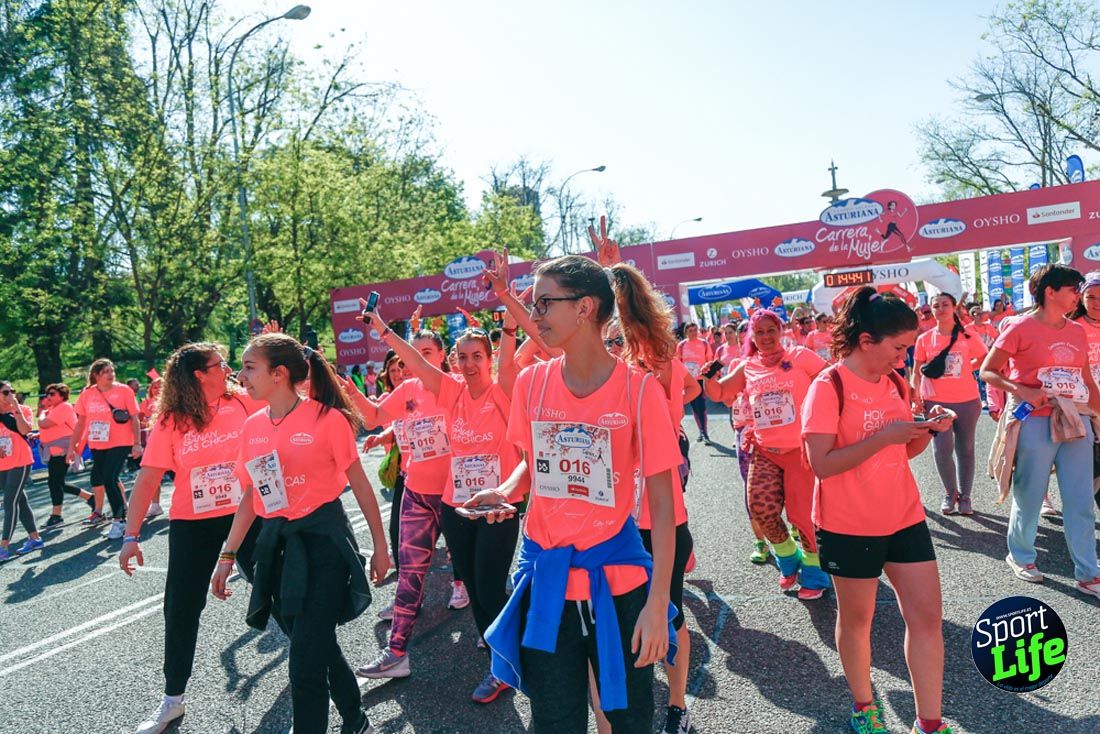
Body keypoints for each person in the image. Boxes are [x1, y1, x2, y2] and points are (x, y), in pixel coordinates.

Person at [472, 255, 680, 733]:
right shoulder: (531, 383)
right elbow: (533, 464)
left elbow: (662, 505)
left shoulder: (638, 390)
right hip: (548, 584)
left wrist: (656, 603)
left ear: (585, 307)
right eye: (533, 303)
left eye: (545, 302)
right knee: (554, 722)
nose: (535, 315)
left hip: (621, 584)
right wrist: (504, 490)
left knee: (629, 720)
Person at [211, 334, 389, 734]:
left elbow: (360, 484)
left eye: (249, 367)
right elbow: (251, 495)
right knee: (316, 644)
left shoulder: (328, 420)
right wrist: (227, 556)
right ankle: (355, 717)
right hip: (275, 549)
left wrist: (381, 547)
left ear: (279, 374)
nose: (240, 376)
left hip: (325, 544)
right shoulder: (253, 426)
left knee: (304, 664)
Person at [802, 287, 956, 734]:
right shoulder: (827, 387)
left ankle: (930, 722)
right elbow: (822, 465)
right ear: (866, 340)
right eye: (900, 347)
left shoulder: (894, 382)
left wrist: (927, 429)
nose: (906, 356)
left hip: (904, 515)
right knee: (857, 621)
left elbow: (901, 451)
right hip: (848, 523)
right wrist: (886, 436)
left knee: (927, 618)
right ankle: (865, 706)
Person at [359, 302, 521, 704]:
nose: (469, 365)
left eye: (477, 357)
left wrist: (511, 324)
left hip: (497, 506)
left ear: (488, 359)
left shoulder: (503, 392)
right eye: (462, 357)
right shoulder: (450, 393)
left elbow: (511, 354)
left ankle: (510, 656)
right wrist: (382, 329)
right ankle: (499, 665)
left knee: (488, 587)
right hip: (456, 508)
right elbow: (413, 359)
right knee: (477, 592)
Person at [119, 344, 265, 734]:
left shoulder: (244, 403)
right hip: (192, 521)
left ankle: (314, 675)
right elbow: (147, 477)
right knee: (180, 609)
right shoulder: (171, 420)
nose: (229, 368)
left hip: (247, 513)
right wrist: (131, 535)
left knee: (279, 592)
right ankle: (172, 700)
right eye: (221, 364)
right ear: (200, 375)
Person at [350, 328, 469, 681]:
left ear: (442, 353)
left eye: (427, 352)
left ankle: (494, 645)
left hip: (457, 495)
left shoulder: (454, 385)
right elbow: (373, 417)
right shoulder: (406, 389)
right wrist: (351, 391)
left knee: (473, 574)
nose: (417, 360)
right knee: (409, 574)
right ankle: (396, 651)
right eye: (412, 353)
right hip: (417, 493)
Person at [980, 264, 1100, 595]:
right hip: (1033, 418)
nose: (1078, 296)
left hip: (1075, 419)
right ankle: (1021, 556)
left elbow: (1087, 381)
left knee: (1080, 500)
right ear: (1050, 292)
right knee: (1029, 494)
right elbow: (987, 371)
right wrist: (1022, 390)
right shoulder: (1019, 327)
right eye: (1074, 290)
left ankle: (1088, 572)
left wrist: (1099, 417)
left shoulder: (1075, 331)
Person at [704, 309, 831, 599]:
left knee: (802, 516)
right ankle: (789, 559)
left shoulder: (799, 356)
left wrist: (819, 422)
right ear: (752, 336)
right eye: (759, 332)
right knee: (760, 508)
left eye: (770, 330)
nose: (766, 337)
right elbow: (720, 392)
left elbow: (830, 382)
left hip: (800, 450)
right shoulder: (748, 366)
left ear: (781, 330)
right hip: (765, 450)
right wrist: (708, 378)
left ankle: (814, 573)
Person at [911, 293, 988, 515]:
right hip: (936, 401)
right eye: (936, 305)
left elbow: (984, 357)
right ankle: (950, 492)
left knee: (966, 449)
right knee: (941, 449)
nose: (941, 309)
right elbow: (916, 371)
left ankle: (965, 496)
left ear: (954, 307)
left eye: (945, 304)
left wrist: (967, 368)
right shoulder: (924, 339)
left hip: (967, 400)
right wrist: (916, 397)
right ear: (931, 310)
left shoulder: (967, 335)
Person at [67, 359, 142, 539]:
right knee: (108, 478)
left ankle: (119, 521)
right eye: (105, 371)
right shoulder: (87, 394)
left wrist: (137, 443)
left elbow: (134, 418)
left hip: (121, 441)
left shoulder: (124, 390)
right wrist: (72, 447)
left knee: (109, 478)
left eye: (112, 370)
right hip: (98, 443)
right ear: (96, 375)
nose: (110, 373)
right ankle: (123, 510)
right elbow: (80, 423)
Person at [38, 383, 94, 527]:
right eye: (47, 394)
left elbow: (44, 423)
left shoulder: (64, 407)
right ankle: (90, 498)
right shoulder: (53, 409)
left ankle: (56, 515)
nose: (48, 396)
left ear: (62, 396)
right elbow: (54, 428)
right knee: (57, 482)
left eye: (52, 394)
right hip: (54, 451)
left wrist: (42, 412)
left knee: (54, 482)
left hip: (62, 450)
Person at [0, 381, 43, 560]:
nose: (9, 394)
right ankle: (35, 538)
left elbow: (25, 429)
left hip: (21, 461)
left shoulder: (23, 409)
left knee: (9, 501)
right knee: (21, 501)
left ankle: (3, 546)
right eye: (5, 392)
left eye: (12, 391)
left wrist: (15, 406)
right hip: (3, 465)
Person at [1072, 272, 1100, 509]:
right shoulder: (1071, 326)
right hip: (1081, 401)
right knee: (1089, 457)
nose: (1097, 302)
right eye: (1091, 297)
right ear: (1081, 298)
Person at [676, 323, 714, 443]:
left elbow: (710, 361)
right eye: (690, 330)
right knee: (694, 406)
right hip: (688, 381)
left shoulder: (703, 343)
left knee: (701, 405)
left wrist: (708, 377)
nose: (693, 332)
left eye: (694, 330)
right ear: (686, 332)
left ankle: (705, 433)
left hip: (700, 379)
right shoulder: (681, 345)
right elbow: (678, 363)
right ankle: (701, 431)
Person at [138, 378, 165, 517]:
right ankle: (155, 505)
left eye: (161, 386)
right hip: (152, 443)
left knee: (178, 474)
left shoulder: (170, 401)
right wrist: (143, 422)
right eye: (154, 387)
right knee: (153, 475)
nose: (157, 389)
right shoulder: (145, 403)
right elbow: (139, 419)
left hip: (169, 443)